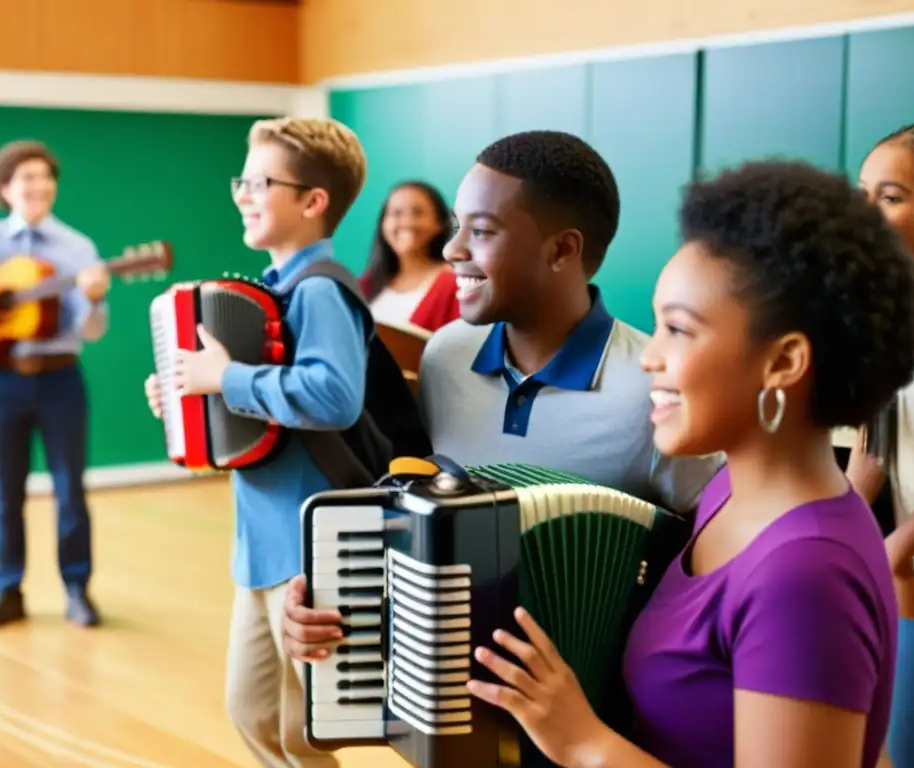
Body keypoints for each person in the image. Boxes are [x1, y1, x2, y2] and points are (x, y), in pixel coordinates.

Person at [463, 160, 914, 768]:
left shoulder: (806, 571)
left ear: (783, 362)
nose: (650, 357)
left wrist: (584, 745)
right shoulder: (730, 488)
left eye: (678, 329)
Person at [280, 131, 720, 663]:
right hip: (452, 685)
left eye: (482, 231)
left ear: (562, 249)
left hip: (602, 703)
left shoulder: (655, 389)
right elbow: (419, 507)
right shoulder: (445, 356)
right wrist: (333, 597)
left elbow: (720, 549)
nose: (451, 250)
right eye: (457, 226)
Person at [144, 116, 369, 768]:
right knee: (253, 713)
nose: (242, 192)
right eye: (241, 179)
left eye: (259, 181)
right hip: (259, 541)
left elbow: (333, 396)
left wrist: (227, 377)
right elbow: (253, 420)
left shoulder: (321, 289)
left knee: (304, 728)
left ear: (312, 201)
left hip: (308, 540)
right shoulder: (266, 290)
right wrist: (191, 394)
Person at [0, 139, 110, 630]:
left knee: (71, 489)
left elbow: (91, 331)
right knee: (5, 493)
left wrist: (93, 300)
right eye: (26, 178)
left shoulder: (78, 249)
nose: (38, 186)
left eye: (45, 177)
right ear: (5, 189)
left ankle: (78, 589)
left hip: (60, 381)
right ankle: (8, 590)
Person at [846, 122, 914, 768]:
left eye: (890, 196)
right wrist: (830, 524)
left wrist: (895, 549)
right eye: (863, 195)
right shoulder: (888, 304)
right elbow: (875, 442)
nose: (869, 213)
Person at [357, 180, 459, 332]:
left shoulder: (454, 285)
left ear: (439, 224)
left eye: (417, 213)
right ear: (383, 223)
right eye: (396, 213)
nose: (406, 222)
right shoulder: (364, 285)